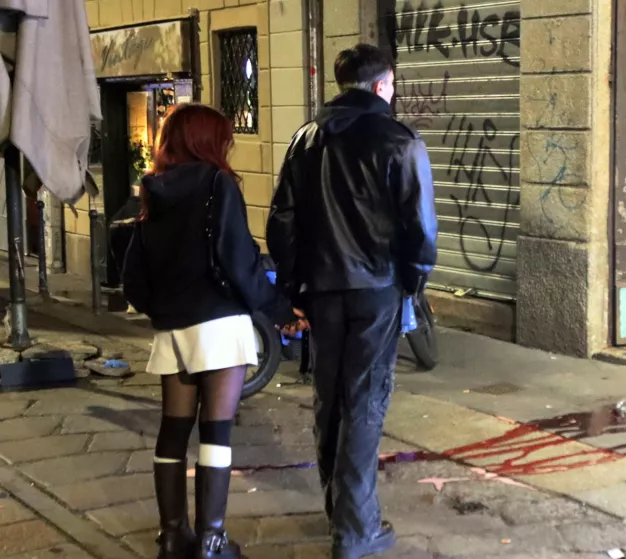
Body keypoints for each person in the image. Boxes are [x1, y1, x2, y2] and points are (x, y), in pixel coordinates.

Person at [266, 43, 437, 559]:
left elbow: (283, 220)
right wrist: (412, 280)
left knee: (330, 397)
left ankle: (338, 509)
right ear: (383, 85)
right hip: (377, 287)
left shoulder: (305, 139)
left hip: (321, 289)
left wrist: (292, 286)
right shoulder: (400, 140)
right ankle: (355, 528)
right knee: (364, 401)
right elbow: (421, 229)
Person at [123, 103, 302, 559]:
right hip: (219, 325)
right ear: (207, 141)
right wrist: (280, 308)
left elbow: (134, 278)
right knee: (216, 431)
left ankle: (171, 536)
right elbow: (238, 260)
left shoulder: (152, 190)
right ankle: (212, 540)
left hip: (173, 331)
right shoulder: (218, 185)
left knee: (172, 431)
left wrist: (164, 308)